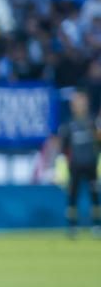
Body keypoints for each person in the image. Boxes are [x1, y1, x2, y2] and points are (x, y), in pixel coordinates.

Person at [56, 90, 100, 237]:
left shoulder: (93, 122)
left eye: (82, 102)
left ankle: (96, 225)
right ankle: (72, 226)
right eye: (77, 102)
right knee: (73, 196)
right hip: (74, 165)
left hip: (91, 164)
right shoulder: (68, 125)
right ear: (72, 106)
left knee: (94, 195)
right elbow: (63, 149)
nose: (80, 105)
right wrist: (62, 169)